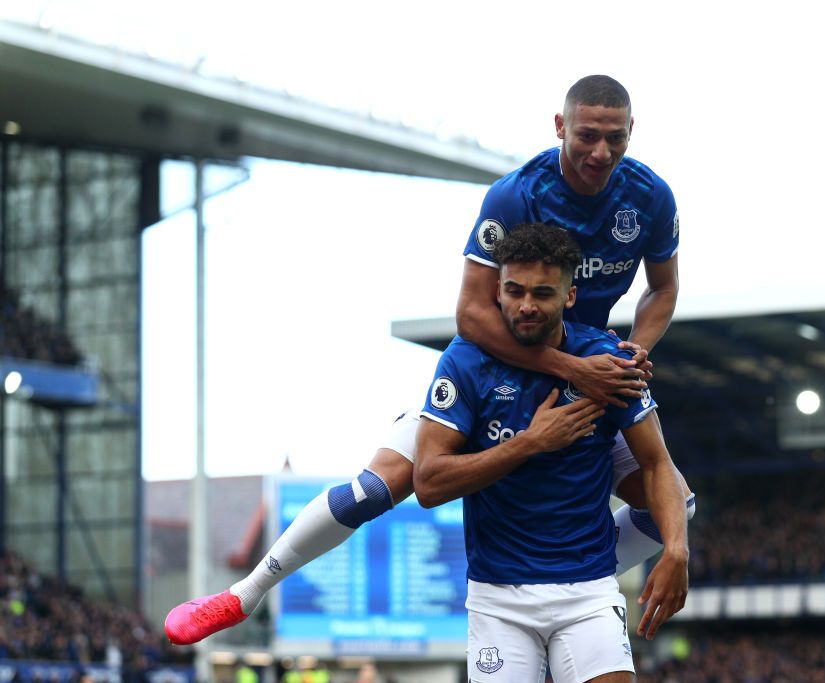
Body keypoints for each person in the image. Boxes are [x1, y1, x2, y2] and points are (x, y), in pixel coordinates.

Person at [164, 75, 693, 646]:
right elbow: (470, 314)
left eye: (615, 139)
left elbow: (662, 288)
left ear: (631, 132)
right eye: (587, 135)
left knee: (674, 507)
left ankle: (569, 592)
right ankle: (245, 592)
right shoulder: (515, 195)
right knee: (375, 490)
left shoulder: (651, 198)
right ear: (560, 127)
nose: (600, 152)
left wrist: (634, 349)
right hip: (499, 362)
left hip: (589, 366)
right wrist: (568, 368)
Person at [416, 224, 687, 682]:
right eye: (514, 290)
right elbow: (428, 483)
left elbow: (658, 463)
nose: (525, 305)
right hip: (498, 597)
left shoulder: (607, 361)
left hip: (588, 590)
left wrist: (677, 550)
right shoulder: (464, 362)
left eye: (543, 293)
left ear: (570, 296)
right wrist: (531, 442)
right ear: (497, 291)